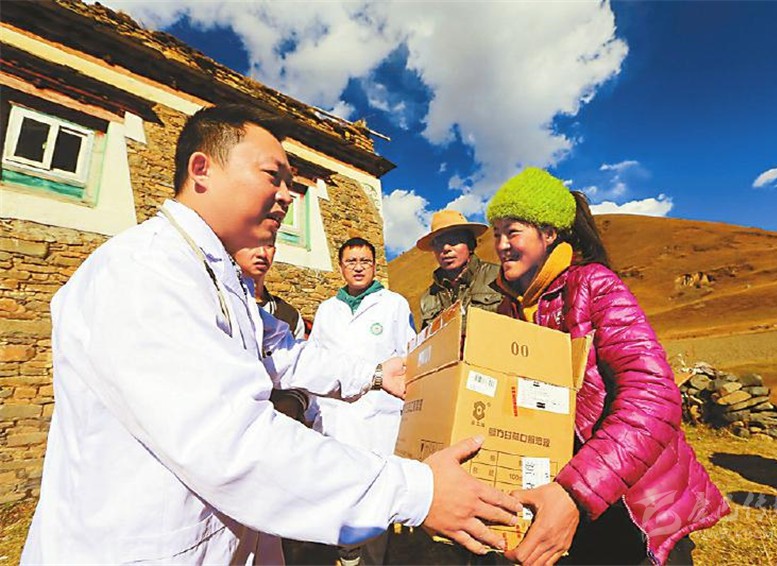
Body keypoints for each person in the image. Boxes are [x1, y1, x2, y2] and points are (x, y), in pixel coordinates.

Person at [21, 104, 521, 564]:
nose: (286, 195)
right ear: (202, 170)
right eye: (272, 176)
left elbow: (288, 353)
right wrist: (416, 492)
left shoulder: (221, 280)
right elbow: (233, 441)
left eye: (290, 183)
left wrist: (374, 374)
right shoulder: (144, 271)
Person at [485, 168, 730, 566]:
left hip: (631, 503)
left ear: (549, 233)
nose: (500, 245)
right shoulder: (509, 309)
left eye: (512, 232)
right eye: (496, 234)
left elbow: (654, 397)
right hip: (562, 497)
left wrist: (574, 492)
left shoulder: (594, 287)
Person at [299, 237, 416, 566]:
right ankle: (345, 555)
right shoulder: (327, 310)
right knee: (340, 495)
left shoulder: (394, 305)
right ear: (341, 267)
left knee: (376, 498)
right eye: (352, 262)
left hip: (378, 420)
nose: (359, 267)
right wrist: (312, 411)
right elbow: (315, 362)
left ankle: (373, 560)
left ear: (375, 266)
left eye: (365, 261)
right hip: (334, 419)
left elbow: (408, 357)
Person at [417, 210, 502, 329]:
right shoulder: (428, 298)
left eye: (453, 240)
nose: (445, 248)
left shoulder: (499, 277)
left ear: (470, 244)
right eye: (438, 243)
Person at [235, 243, 306, 340]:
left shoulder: (290, 316)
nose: (262, 253)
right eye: (252, 243)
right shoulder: (221, 303)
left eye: (268, 245)